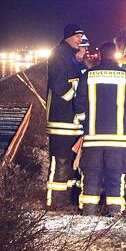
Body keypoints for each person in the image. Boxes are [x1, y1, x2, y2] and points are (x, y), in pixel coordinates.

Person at [78, 42, 126, 216]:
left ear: (99, 54)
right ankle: (114, 212)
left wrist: (86, 126)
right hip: (118, 139)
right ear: (116, 55)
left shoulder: (88, 75)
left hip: (93, 138)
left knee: (91, 174)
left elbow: (79, 105)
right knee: (115, 175)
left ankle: (89, 211)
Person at [45, 23, 88, 208]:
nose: (81, 40)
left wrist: (79, 60)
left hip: (70, 121)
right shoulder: (59, 55)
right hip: (61, 120)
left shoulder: (69, 56)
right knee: (61, 159)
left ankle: (65, 198)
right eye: (79, 36)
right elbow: (60, 85)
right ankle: (55, 200)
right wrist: (77, 100)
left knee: (69, 161)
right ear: (69, 36)